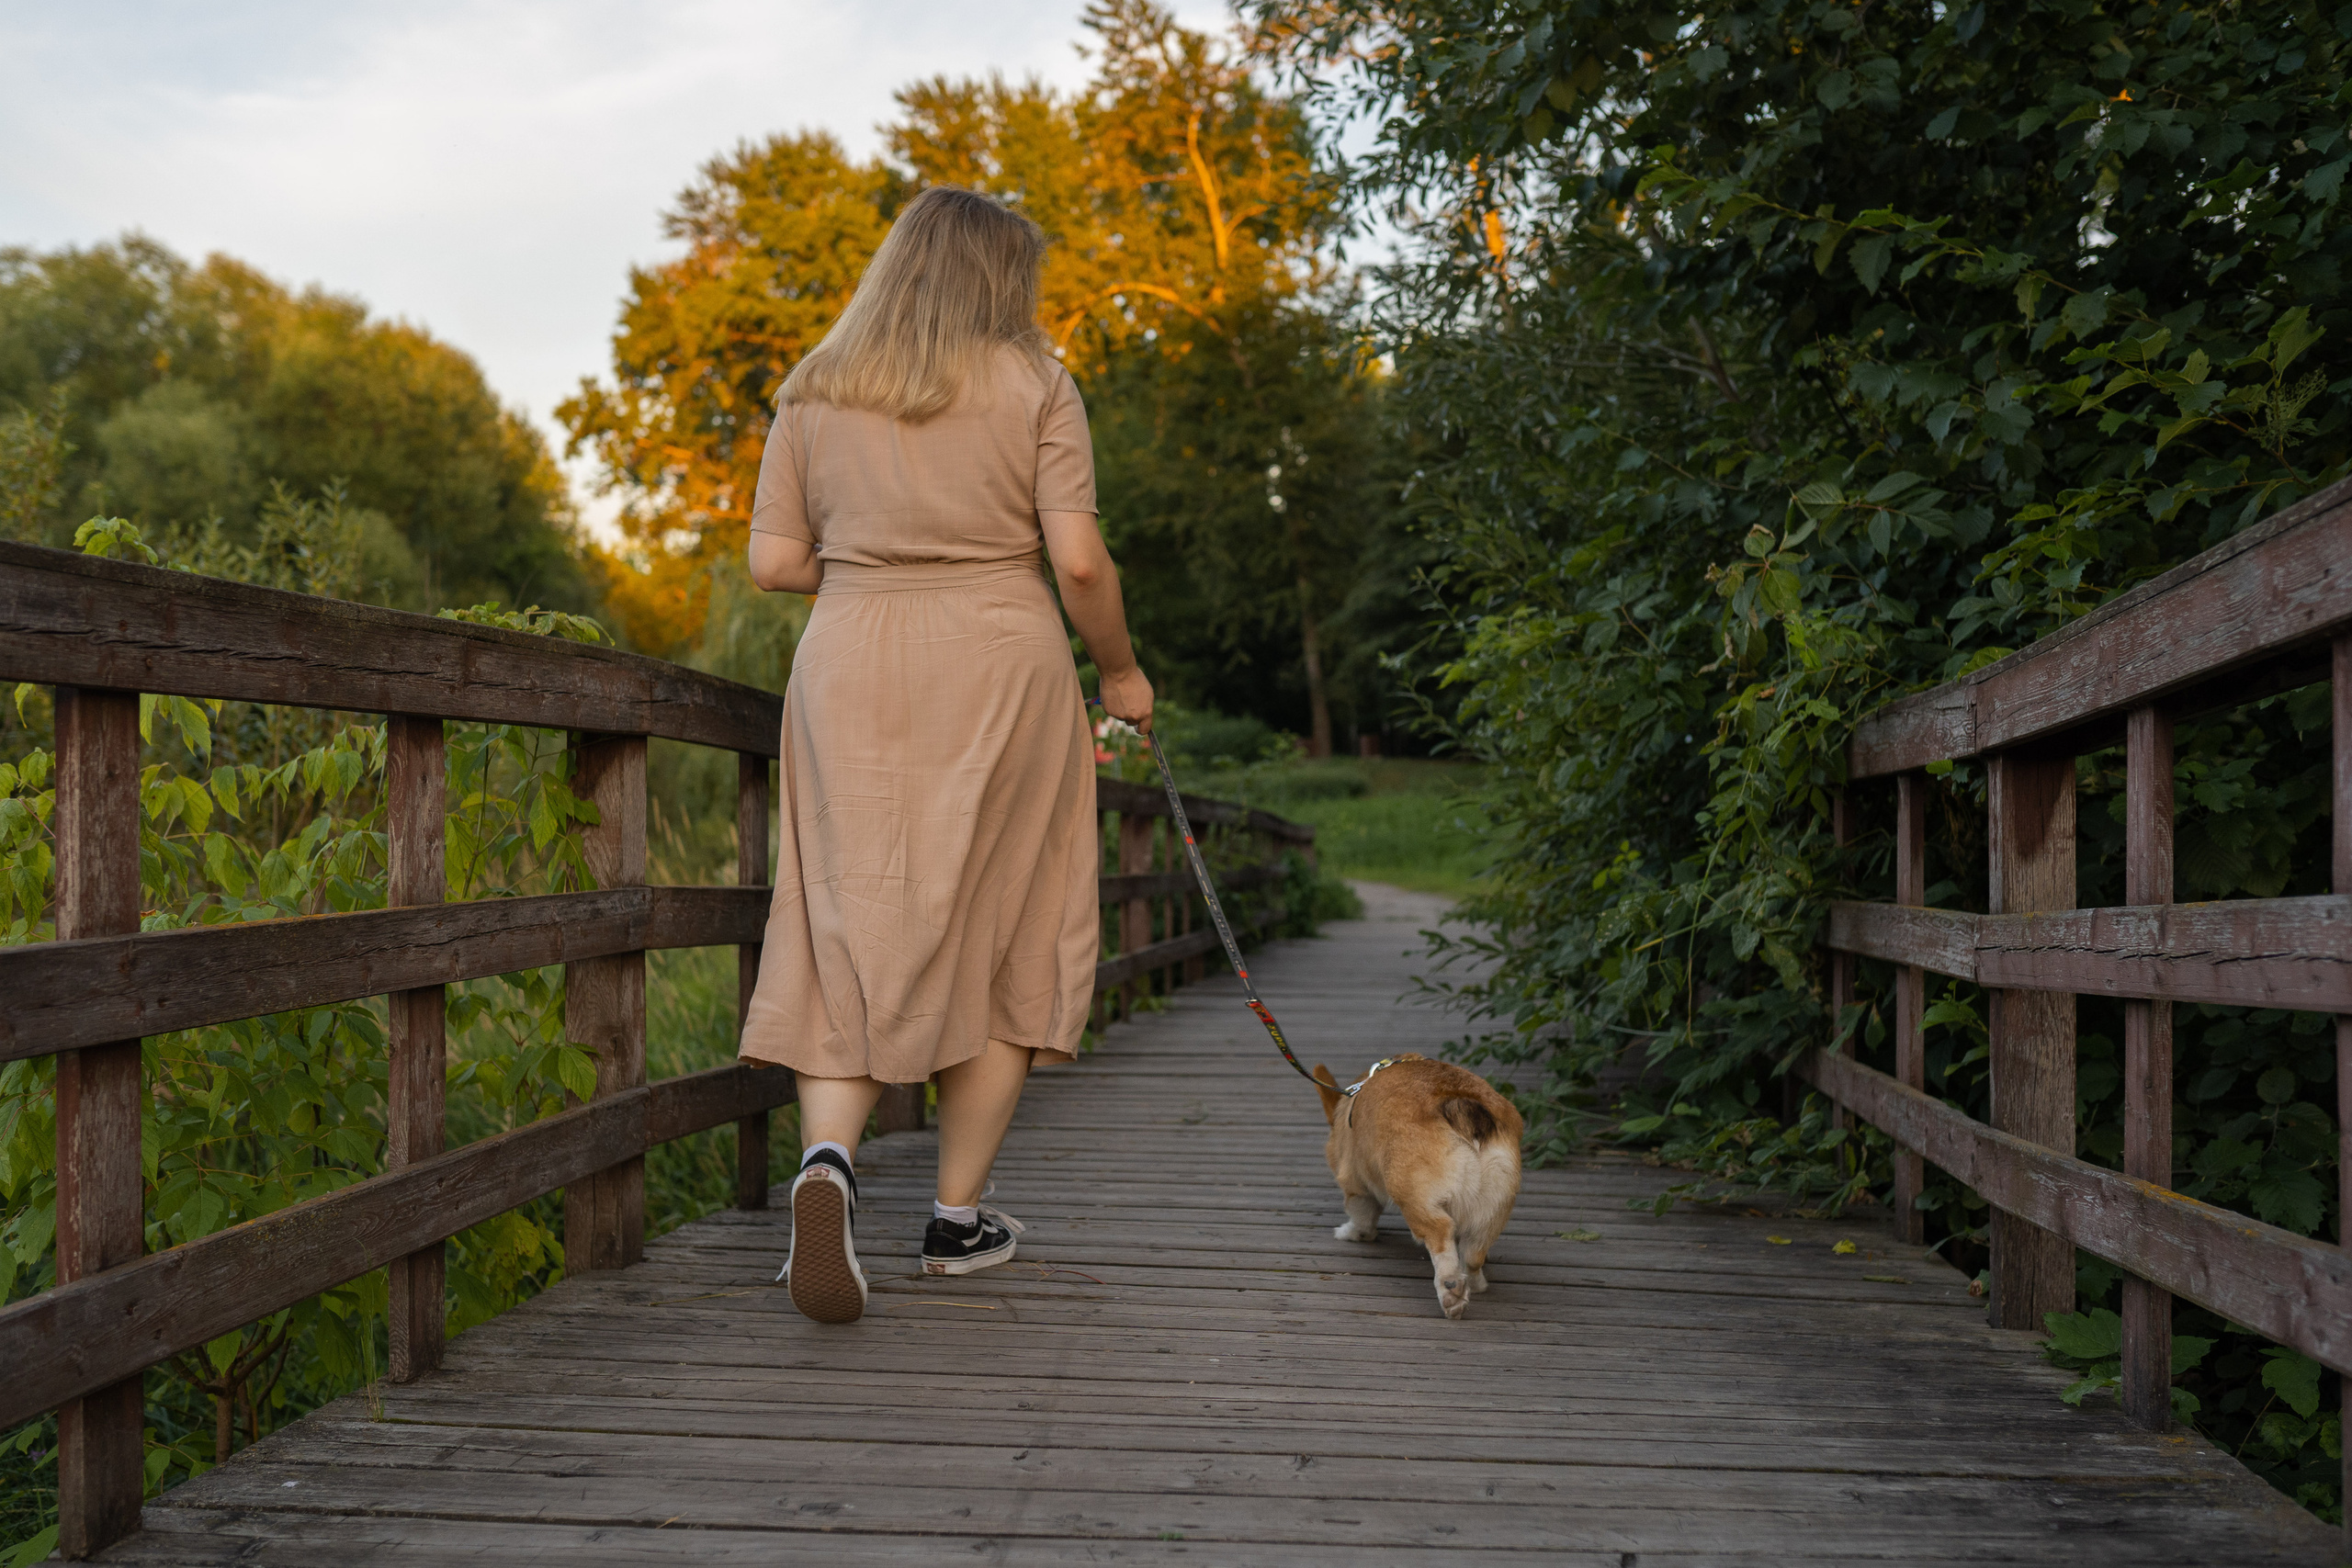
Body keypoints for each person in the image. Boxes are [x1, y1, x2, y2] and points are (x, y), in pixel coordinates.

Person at [737, 185, 1154, 1325]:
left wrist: (883, 565)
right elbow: (1076, 564)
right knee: (1009, 921)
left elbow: (773, 565)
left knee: (843, 925)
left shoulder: (814, 390)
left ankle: (826, 1166)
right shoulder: (1034, 383)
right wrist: (1119, 674)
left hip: (852, 665)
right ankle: (955, 1222)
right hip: (1002, 661)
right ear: (995, 278)